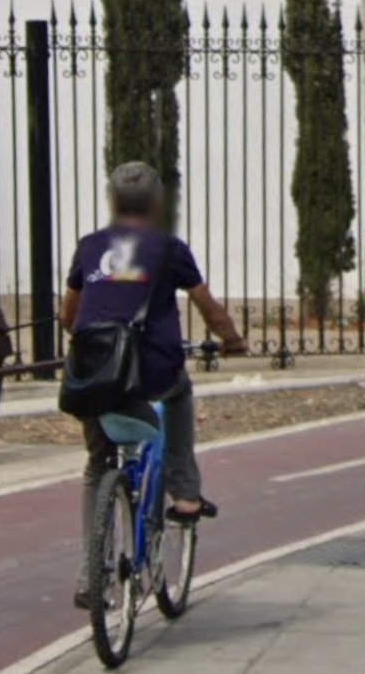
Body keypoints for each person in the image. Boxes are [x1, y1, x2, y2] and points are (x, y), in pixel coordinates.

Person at [63, 161, 246, 609]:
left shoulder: (89, 247)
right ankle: (185, 496)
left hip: (95, 376)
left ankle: (90, 574)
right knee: (180, 393)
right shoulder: (169, 249)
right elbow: (207, 306)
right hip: (153, 373)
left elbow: (69, 315)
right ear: (157, 203)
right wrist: (233, 340)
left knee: (97, 465)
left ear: (112, 202)